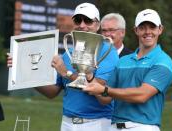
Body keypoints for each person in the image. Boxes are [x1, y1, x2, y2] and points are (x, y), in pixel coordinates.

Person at [7, 3, 119, 131]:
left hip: (96, 122)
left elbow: (100, 92)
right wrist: (23, 70)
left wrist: (66, 73)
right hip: (67, 122)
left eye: (88, 20)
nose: (82, 25)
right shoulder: (68, 53)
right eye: (78, 20)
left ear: (98, 25)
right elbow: (52, 92)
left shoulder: (108, 52)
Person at [84, 9, 172, 131]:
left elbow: (142, 95)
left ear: (160, 29)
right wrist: (89, 75)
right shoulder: (122, 61)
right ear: (136, 30)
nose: (147, 32)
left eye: (152, 27)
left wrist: (104, 89)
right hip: (114, 126)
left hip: (143, 126)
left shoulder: (163, 61)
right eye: (142, 28)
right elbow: (105, 99)